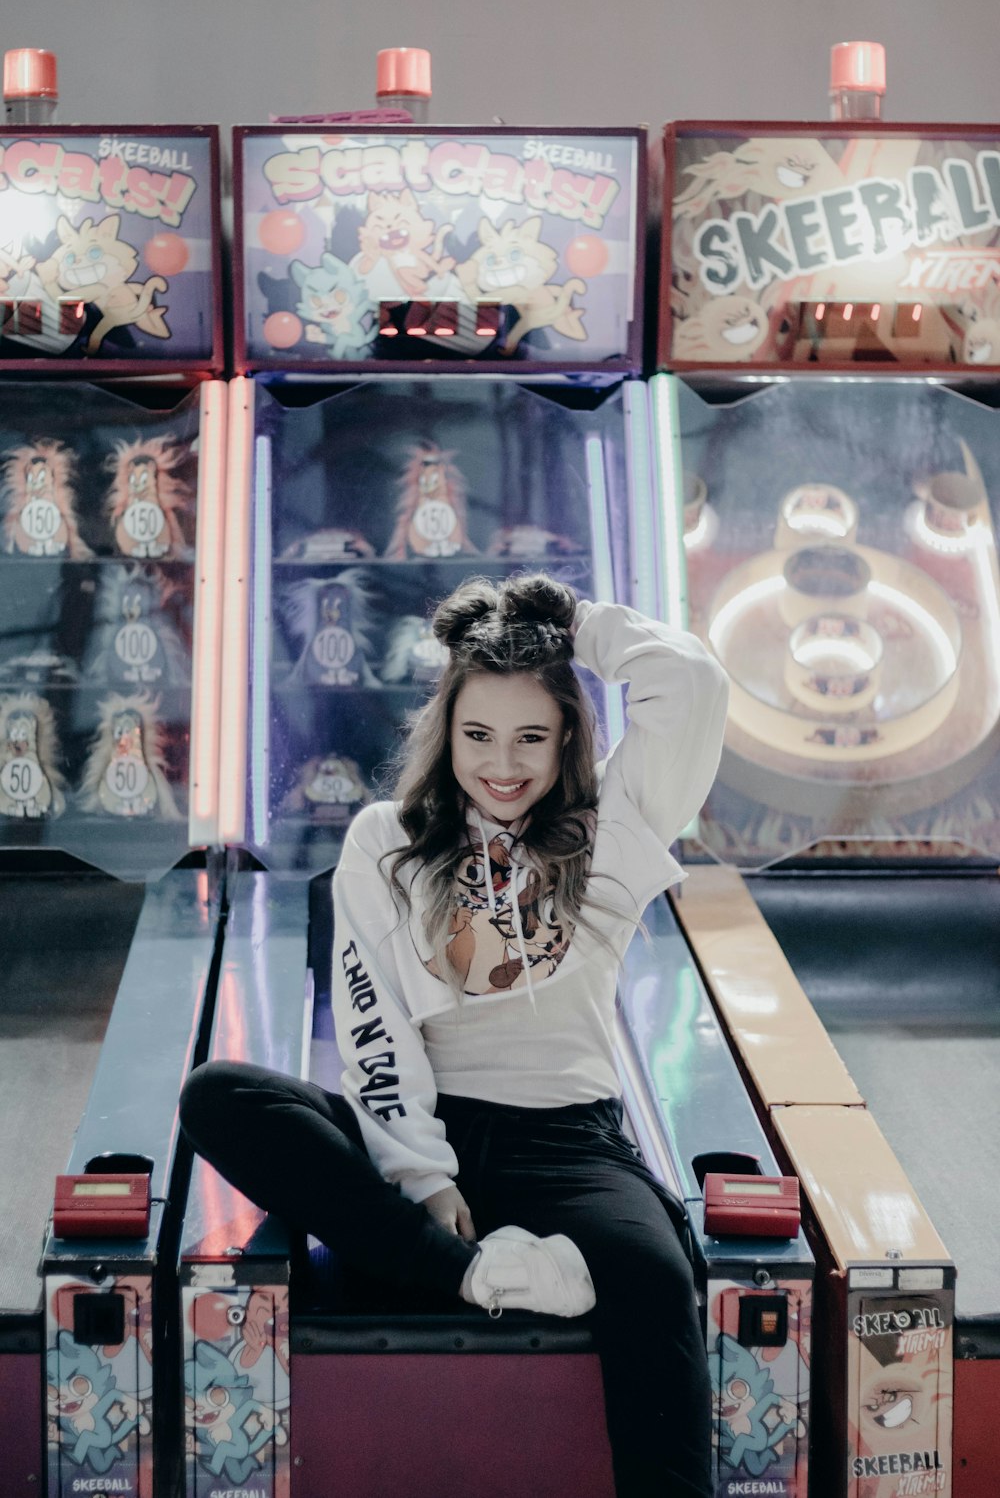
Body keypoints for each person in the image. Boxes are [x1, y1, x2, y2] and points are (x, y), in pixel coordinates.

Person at [180, 572, 729, 1498]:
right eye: (478, 734)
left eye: (530, 737)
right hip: (423, 1127)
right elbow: (375, 1031)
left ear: (567, 740)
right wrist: (427, 1183)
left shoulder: (617, 828)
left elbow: (694, 682)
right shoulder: (384, 844)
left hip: (566, 1138)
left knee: (653, 1279)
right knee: (219, 1098)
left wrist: (575, 623)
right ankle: (479, 1276)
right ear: (447, 733)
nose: (501, 764)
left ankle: (455, 1267)